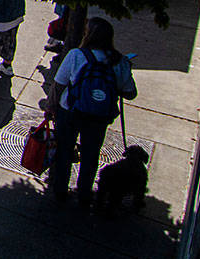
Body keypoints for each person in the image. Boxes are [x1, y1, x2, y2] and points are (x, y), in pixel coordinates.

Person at [48, 17, 138, 206]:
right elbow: (130, 93)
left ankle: (60, 189)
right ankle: (84, 193)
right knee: (90, 154)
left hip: (70, 111)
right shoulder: (119, 61)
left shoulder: (76, 55)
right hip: (99, 117)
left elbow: (59, 84)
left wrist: (51, 107)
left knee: (64, 150)